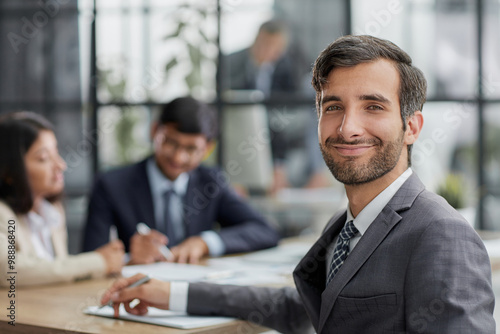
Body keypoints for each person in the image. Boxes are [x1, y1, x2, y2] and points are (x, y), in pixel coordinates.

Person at [101, 35, 496, 333]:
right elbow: (304, 307)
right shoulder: (349, 224)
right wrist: (169, 293)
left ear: (412, 126)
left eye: (373, 106)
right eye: (333, 107)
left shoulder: (440, 234)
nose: (347, 127)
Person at [83, 97, 280, 264]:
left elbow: (265, 231)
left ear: (207, 148)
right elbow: (90, 258)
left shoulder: (210, 182)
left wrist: (205, 242)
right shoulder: (111, 185)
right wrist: (129, 258)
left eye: (191, 149)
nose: (178, 157)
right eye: (170, 142)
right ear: (154, 131)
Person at [0, 111, 124, 287]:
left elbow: (57, 274)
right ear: (9, 172)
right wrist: (97, 262)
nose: (60, 165)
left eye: (56, 153)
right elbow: (9, 270)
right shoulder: (3, 214)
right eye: (44, 158)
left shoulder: (52, 210)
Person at [224, 19, 329, 193]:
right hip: (242, 144)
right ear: (255, 40)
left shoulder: (291, 68)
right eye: (263, 44)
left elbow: (287, 118)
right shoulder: (230, 63)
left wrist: (279, 164)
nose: (267, 52)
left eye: (275, 48)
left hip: (282, 142)